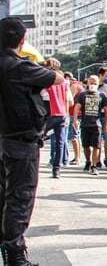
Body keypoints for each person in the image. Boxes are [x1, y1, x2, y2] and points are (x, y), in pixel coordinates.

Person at [0, 16, 64, 265]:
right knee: (19, 198)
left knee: (5, 195)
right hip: (21, 142)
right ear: (22, 39)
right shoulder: (20, 67)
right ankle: (15, 255)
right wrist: (51, 67)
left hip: (4, 138)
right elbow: (57, 79)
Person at [72, 75, 107, 175]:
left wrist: (106, 124)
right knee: (86, 146)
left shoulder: (102, 95)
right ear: (87, 83)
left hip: (97, 124)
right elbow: (77, 107)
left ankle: (94, 165)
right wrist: (75, 120)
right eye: (91, 83)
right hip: (85, 124)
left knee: (96, 146)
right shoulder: (82, 95)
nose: (92, 85)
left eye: (95, 83)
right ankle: (88, 161)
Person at [45, 70, 72, 178]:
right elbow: (68, 100)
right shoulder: (65, 83)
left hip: (50, 114)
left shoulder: (47, 83)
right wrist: (66, 114)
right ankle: (57, 169)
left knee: (39, 138)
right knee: (60, 143)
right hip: (62, 114)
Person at [64, 72, 84, 165]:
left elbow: (69, 101)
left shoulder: (74, 86)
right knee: (76, 136)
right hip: (78, 114)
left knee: (74, 136)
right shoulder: (79, 85)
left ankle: (77, 157)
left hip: (73, 114)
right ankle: (78, 157)